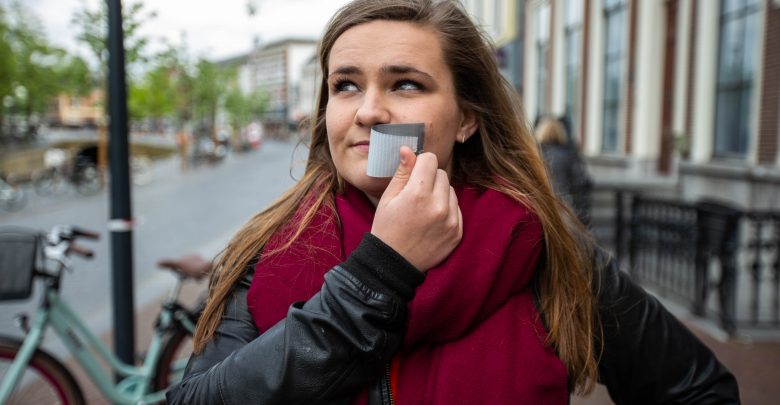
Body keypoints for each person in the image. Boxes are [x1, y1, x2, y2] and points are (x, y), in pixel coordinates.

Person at [167, 1, 739, 404]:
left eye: (405, 84)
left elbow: (698, 388)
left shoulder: (537, 244)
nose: (368, 111)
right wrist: (379, 272)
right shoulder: (274, 249)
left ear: (466, 118)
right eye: (345, 85)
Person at [535, 116, 593, 225]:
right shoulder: (568, 155)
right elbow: (581, 181)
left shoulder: (534, 155)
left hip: (540, 205)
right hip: (563, 206)